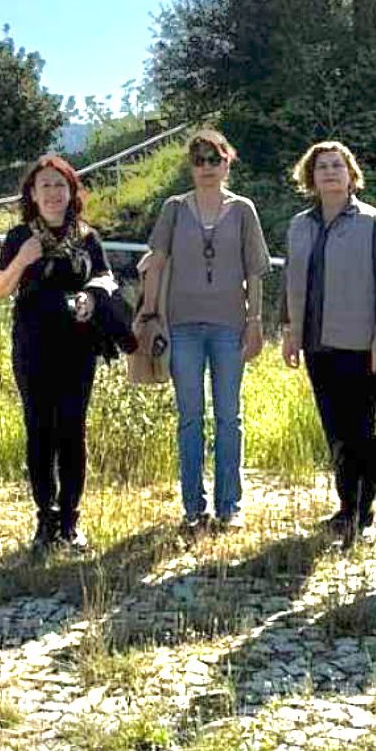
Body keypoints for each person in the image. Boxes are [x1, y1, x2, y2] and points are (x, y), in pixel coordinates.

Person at [139, 128, 271, 531]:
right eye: (199, 160)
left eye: (215, 159)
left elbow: (256, 271)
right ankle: (193, 507)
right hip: (182, 326)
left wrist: (255, 323)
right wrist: (147, 316)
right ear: (191, 167)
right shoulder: (174, 209)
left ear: (228, 162)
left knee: (229, 416)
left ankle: (229, 505)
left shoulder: (244, 209)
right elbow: (156, 262)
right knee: (191, 417)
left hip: (230, 326)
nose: (207, 167)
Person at [280, 141, 376, 547]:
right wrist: (289, 333)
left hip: (361, 343)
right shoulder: (300, 225)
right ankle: (345, 506)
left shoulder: (371, 222)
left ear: (351, 174)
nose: (330, 172)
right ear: (310, 177)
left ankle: (363, 513)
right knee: (334, 428)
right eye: (321, 167)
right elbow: (290, 283)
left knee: (361, 429)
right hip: (316, 345)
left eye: (337, 165)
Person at [0, 155, 114, 553]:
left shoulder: (86, 237)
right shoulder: (19, 237)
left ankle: (71, 519)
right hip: (33, 347)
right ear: (32, 193)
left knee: (73, 431)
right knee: (39, 430)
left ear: (71, 191)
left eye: (60, 185)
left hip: (78, 348)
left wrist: (92, 296)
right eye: (45, 185)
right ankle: (45, 519)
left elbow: (107, 276)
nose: (53, 193)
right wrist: (24, 259)